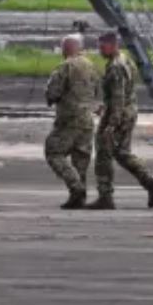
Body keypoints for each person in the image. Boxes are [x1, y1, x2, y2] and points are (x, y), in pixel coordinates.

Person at [90, 31, 153, 209]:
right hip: (127, 111)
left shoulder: (116, 66)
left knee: (103, 152)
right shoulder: (125, 60)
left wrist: (111, 124)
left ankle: (105, 196)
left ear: (114, 45)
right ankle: (149, 180)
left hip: (119, 115)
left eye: (103, 46)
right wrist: (105, 107)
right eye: (99, 46)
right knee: (121, 152)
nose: (100, 50)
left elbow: (118, 97)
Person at [42, 34, 100, 209]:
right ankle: (77, 199)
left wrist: (52, 98)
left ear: (66, 49)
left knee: (53, 151)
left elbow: (53, 93)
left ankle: (76, 188)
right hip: (87, 118)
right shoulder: (92, 66)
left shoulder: (65, 67)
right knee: (80, 158)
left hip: (69, 118)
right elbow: (97, 91)